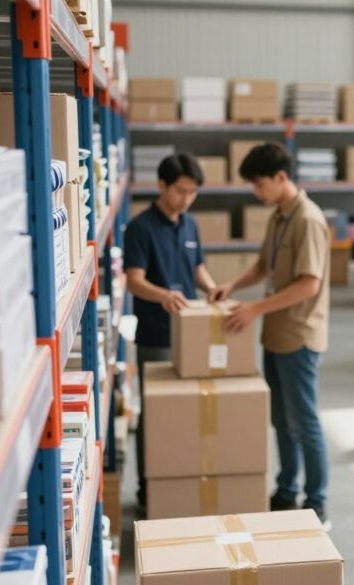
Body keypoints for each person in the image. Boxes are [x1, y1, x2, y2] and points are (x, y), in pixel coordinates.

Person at [207, 142, 332, 528]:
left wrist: (254, 310)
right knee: (280, 418)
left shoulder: (308, 219)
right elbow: (264, 266)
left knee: (304, 420)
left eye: (259, 185)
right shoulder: (279, 216)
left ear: (281, 178)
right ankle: (286, 489)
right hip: (276, 334)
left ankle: (317, 502)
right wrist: (232, 285)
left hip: (299, 335)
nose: (256, 193)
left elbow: (309, 284)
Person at [123, 153, 216, 516]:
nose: (186, 199)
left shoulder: (191, 224)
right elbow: (134, 280)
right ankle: (150, 486)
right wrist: (164, 296)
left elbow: (198, 269)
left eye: (193, 193)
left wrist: (211, 288)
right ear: (161, 185)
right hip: (157, 335)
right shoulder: (140, 227)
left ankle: (183, 478)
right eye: (180, 191)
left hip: (191, 332)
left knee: (188, 409)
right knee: (157, 413)